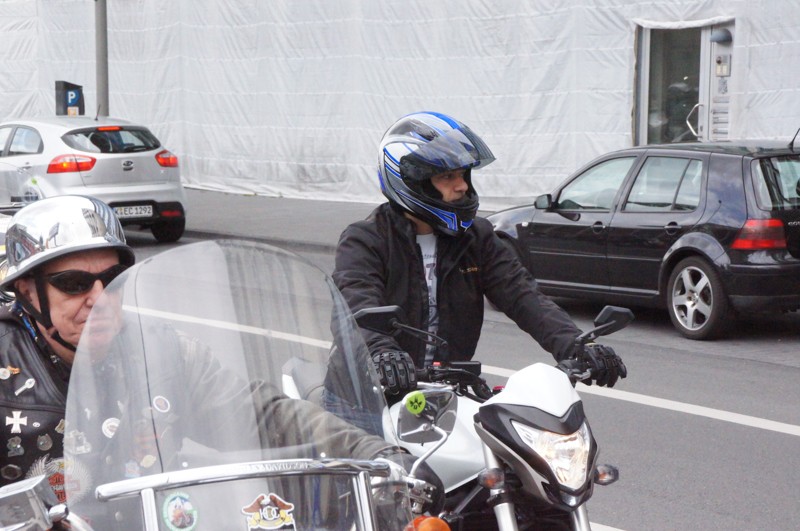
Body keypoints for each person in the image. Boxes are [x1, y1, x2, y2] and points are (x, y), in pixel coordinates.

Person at [0, 196, 442, 519]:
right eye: (74, 283)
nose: (99, 298)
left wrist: (380, 454)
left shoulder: (161, 353)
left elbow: (266, 415)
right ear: (28, 291)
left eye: (114, 278)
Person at [332, 111, 627, 398]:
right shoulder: (365, 240)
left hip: (443, 393)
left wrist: (577, 346)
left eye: (463, 175)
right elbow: (356, 308)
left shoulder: (476, 237)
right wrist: (382, 353)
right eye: (447, 176)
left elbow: (523, 296)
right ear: (411, 181)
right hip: (367, 394)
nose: (461, 186)